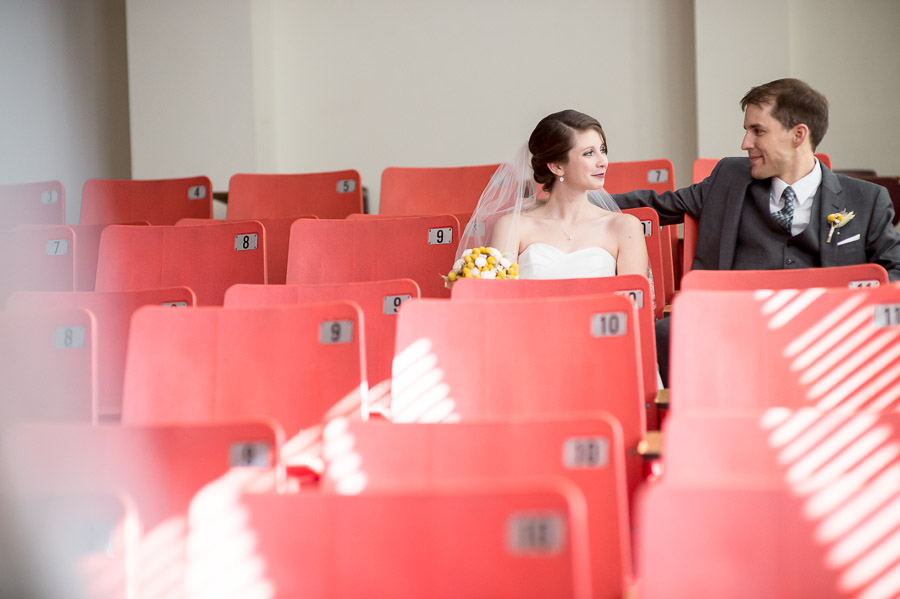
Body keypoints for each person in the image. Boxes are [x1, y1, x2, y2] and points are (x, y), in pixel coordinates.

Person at [608, 77, 900, 384]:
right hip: (732, 322)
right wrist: (576, 202)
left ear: (798, 135)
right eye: (746, 130)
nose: (745, 143)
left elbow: (895, 269)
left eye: (757, 131)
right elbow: (656, 205)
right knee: (663, 333)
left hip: (825, 329)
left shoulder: (865, 199)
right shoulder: (729, 178)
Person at [458, 109, 649, 281]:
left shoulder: (624, 226)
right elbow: (498, 302)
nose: (603, 162)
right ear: (557, 166)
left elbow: (635, 305)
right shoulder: (513, 226)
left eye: (603, 150)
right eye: (589, 153)